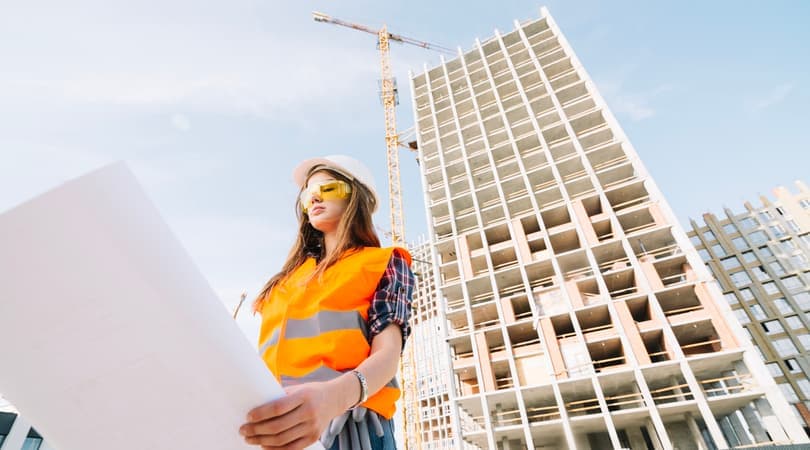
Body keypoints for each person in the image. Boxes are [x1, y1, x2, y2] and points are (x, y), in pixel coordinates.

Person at [239, 155, 414, 450]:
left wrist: (333, 399)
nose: (315, 197)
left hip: (349, 427)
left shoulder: (382, 262)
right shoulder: (285, 280)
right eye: (308, 194)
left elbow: (388, 355)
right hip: (277, 426)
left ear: (356, 197)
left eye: (328, 188)